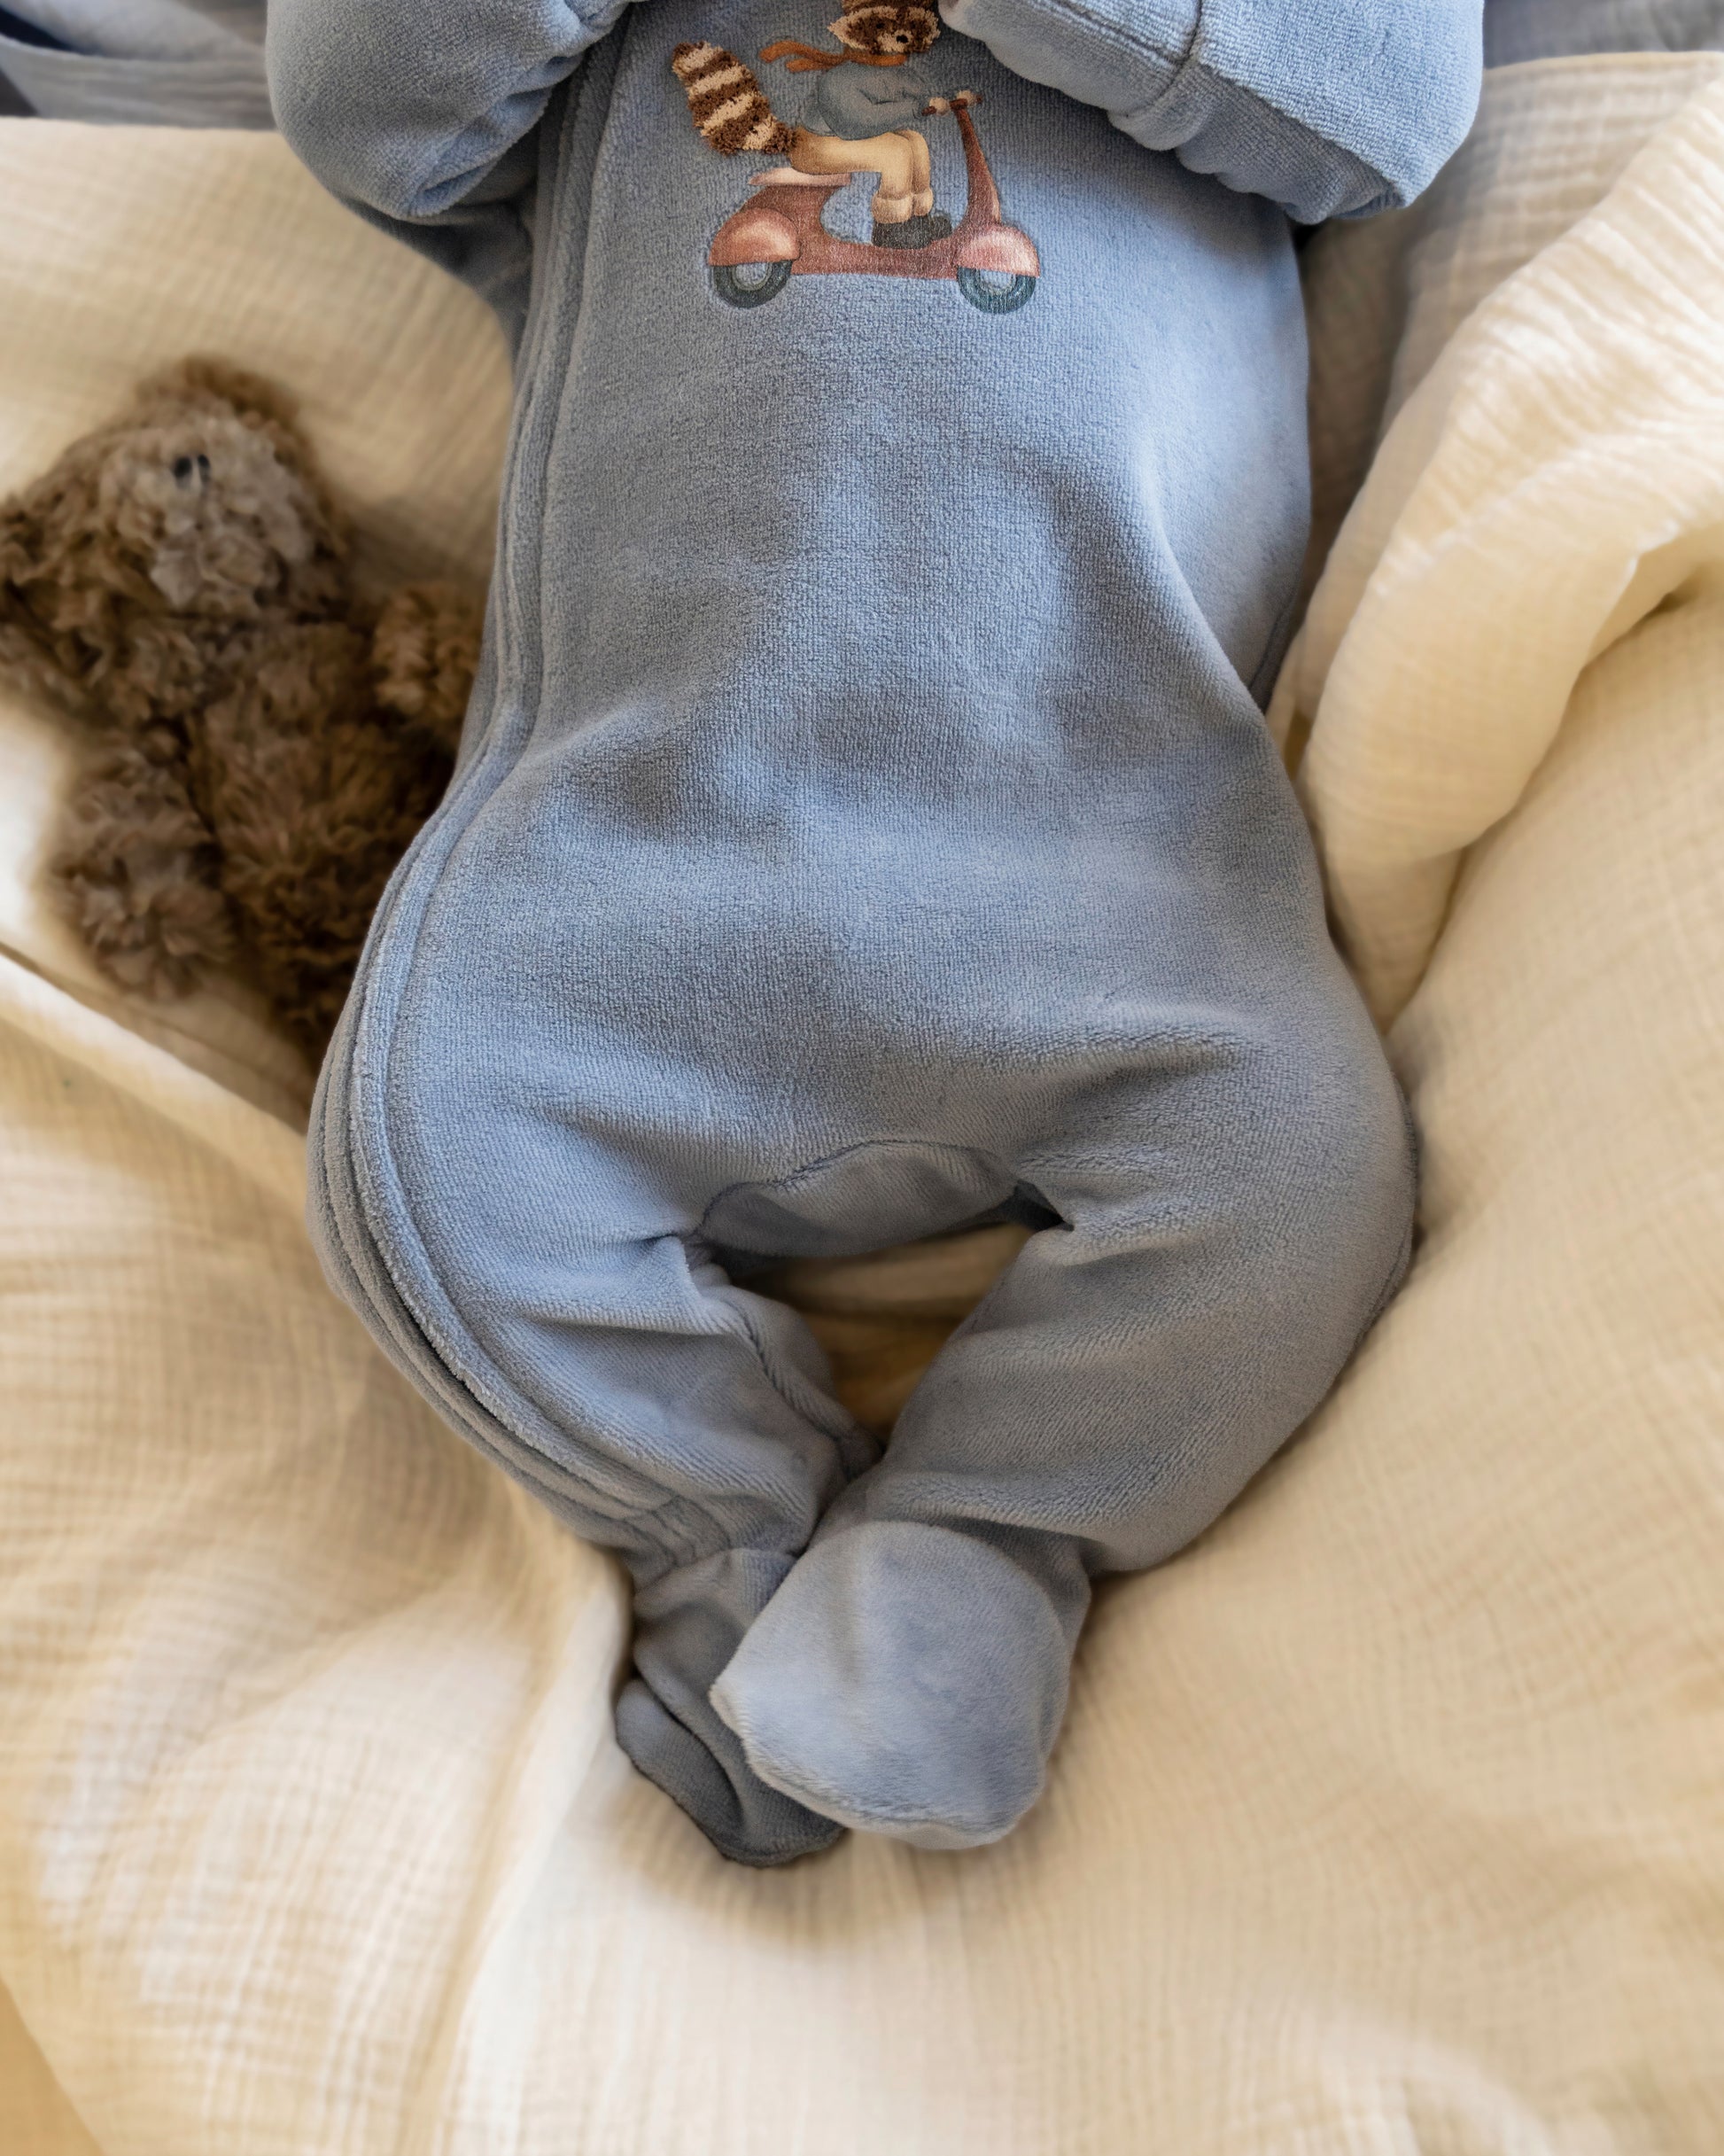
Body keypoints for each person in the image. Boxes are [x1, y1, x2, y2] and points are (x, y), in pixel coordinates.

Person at [268, 0, 1483, 1864]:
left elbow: (1396, 104)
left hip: (1117, 872)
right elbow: (357, 101)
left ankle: (977, 1538)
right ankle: (721, 1525)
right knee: (419, 1165)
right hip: (638, 853)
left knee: (1297, 1173)